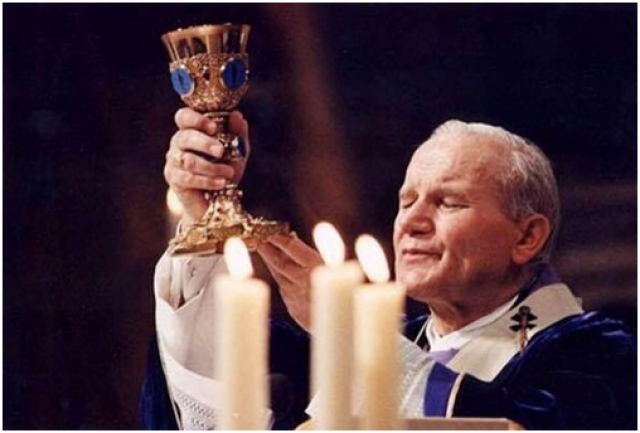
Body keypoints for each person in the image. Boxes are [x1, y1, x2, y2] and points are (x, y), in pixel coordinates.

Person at [140, 108, 636, 430]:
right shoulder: (379, 345)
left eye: (448, 202)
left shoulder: (601, 357)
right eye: (407, 200)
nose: (412, 222)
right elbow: (207, 393)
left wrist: (351, 331)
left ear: (526, 237)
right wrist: (206, 222)